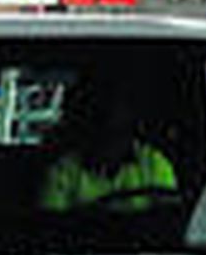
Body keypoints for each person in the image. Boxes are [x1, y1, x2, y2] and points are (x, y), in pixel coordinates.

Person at [39, 81, 176, 212]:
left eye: (118, 132)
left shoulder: (154, 164)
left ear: (131, 130)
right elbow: (51, 228)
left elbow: (169, 218)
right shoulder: (62, 173)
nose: (111, 143)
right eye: (104, 133)